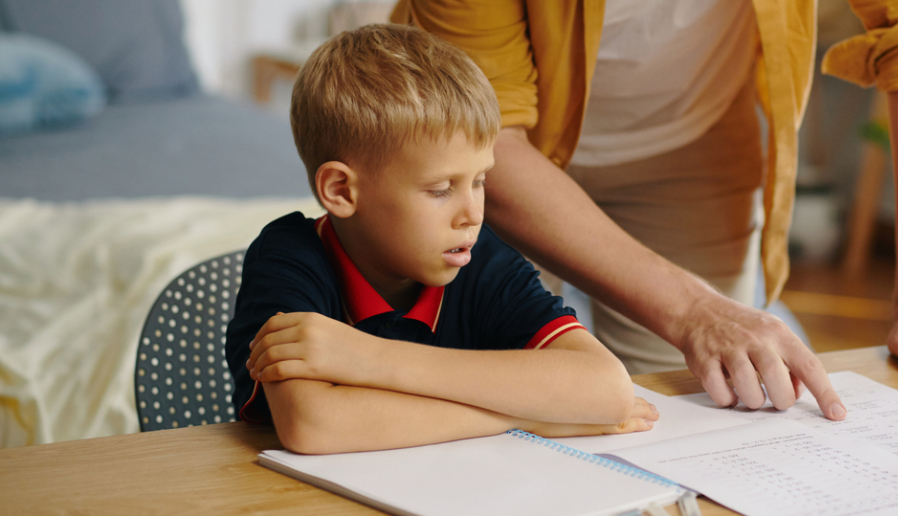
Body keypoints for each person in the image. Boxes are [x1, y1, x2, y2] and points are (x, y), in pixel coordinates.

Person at [389, 0, 898, 419]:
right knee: (478, 405)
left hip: (692, 145)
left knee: (700, 410)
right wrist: (691, 307)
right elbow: (483, 135)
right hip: (479, 162)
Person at [224, 24, 658, 455]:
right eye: (440, 189)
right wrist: (530, 418)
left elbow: (607, 390)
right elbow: (313, 424)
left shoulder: (477, 256)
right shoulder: (288, 256)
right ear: (341, 190)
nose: (473, 213)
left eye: (480, 181)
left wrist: (368, 357)